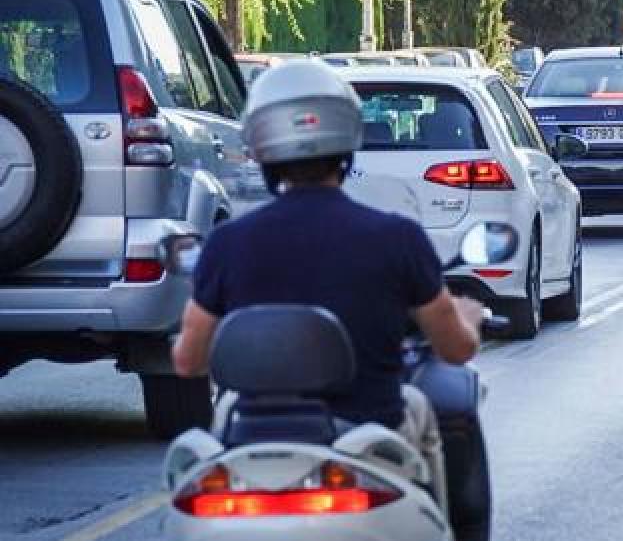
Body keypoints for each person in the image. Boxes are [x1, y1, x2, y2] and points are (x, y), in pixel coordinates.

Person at [171, 58, 483, 510]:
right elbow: (455, 350)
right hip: (367, 441)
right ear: (348, 135)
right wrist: (468, 317)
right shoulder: (398, 238)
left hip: (255, 442)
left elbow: (188, 361)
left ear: (261, 145)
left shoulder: (226, 244)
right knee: (419, 405)